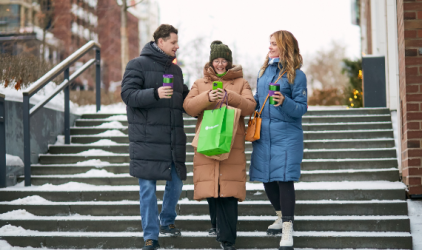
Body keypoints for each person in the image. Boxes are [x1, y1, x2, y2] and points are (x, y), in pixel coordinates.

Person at [121, 24, 189, 250]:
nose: (177, 46)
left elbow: (184, 99)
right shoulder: (136, 64)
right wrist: (155, 93)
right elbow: (128, 95)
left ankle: (167, 221)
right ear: (161, 42)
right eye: (173, 42)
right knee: (148, 189)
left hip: (172, 139)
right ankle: (151, 236)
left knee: (177, 182)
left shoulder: (176, 71)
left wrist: (203, 98)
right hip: (147, 140)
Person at [183, 41, 256, 250]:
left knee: (229, 190)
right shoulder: (200, 83)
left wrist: (230, 97)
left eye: (224, 60)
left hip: (231, 143)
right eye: (217, 60)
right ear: (211, 61)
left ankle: (228, 239)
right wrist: (207, 97)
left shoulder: (241, 83)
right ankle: (216, 224)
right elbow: (188, 107)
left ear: (229, 62)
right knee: (212, 186)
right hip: (207, 139)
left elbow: (250, 107)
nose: (220, 64)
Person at [249, 30, 307, 250]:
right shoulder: (263, 72)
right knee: (266, 178)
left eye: (274, 44)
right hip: (264, 134)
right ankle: (280, 215)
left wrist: (284, 101)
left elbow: (301, 109)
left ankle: (287, 228)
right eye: (269, 43)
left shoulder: (297, 75)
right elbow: (257, 100)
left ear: (285, 47)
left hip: (287, 135)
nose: (270, 47)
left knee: (284, 179)